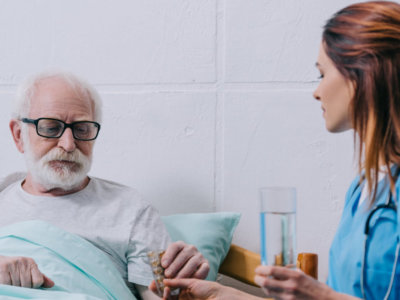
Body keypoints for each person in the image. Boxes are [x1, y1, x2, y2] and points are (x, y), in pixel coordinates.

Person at [162, 1, 400, 299]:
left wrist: (320, 294)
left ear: (363, 73)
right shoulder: (364, 187)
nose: (317, 92)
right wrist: (218, 294)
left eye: (322, 74)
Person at [0, 71, 209, 299]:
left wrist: (183, 286)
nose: (69, 144)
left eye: (82, 129)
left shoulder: (130, 209)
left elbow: (160, 295)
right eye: (51, 128)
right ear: (19, 135)